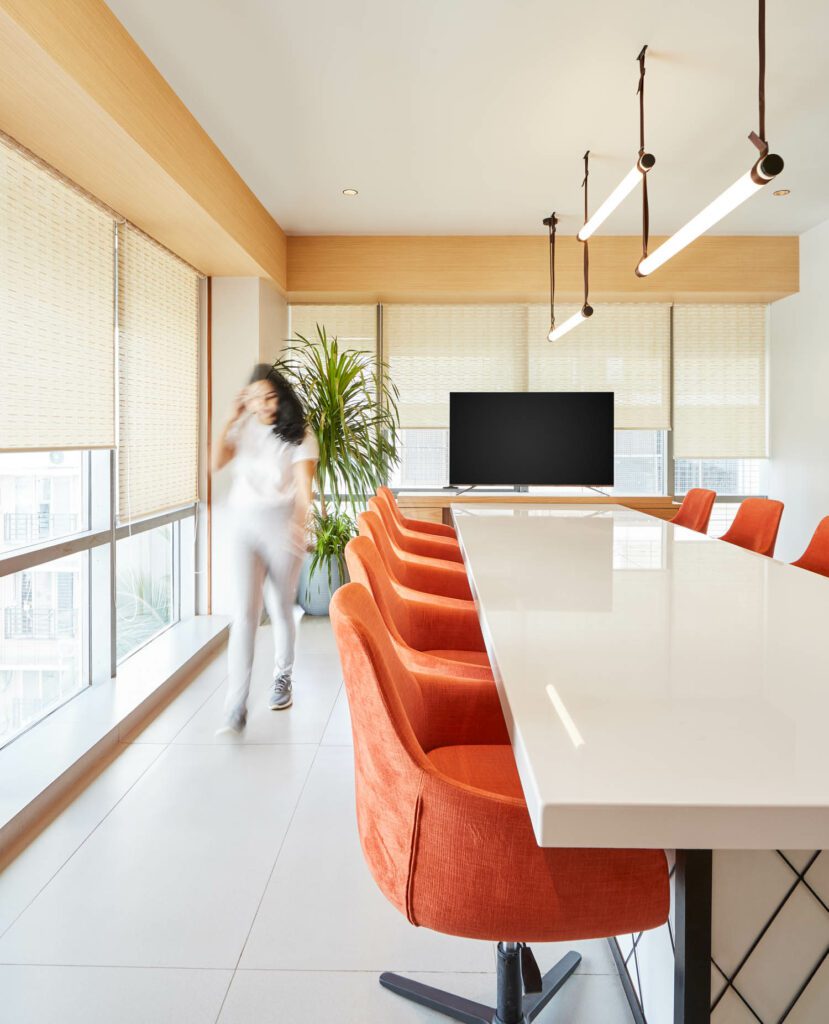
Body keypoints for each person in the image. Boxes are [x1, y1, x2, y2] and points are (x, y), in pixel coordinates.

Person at [213, 364, 318, 734]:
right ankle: (235, 705)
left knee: (279, 607)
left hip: (281, 524)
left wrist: (299, 523)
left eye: (270, 397)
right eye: (256, 398)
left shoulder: (300, 434)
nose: (263, 405)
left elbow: (305, 488)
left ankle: (282, 678)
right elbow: (216, 463)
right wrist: (229, 419)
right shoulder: (244, 428)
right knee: (243, 614)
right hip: (242, 524)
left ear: (282, 396)